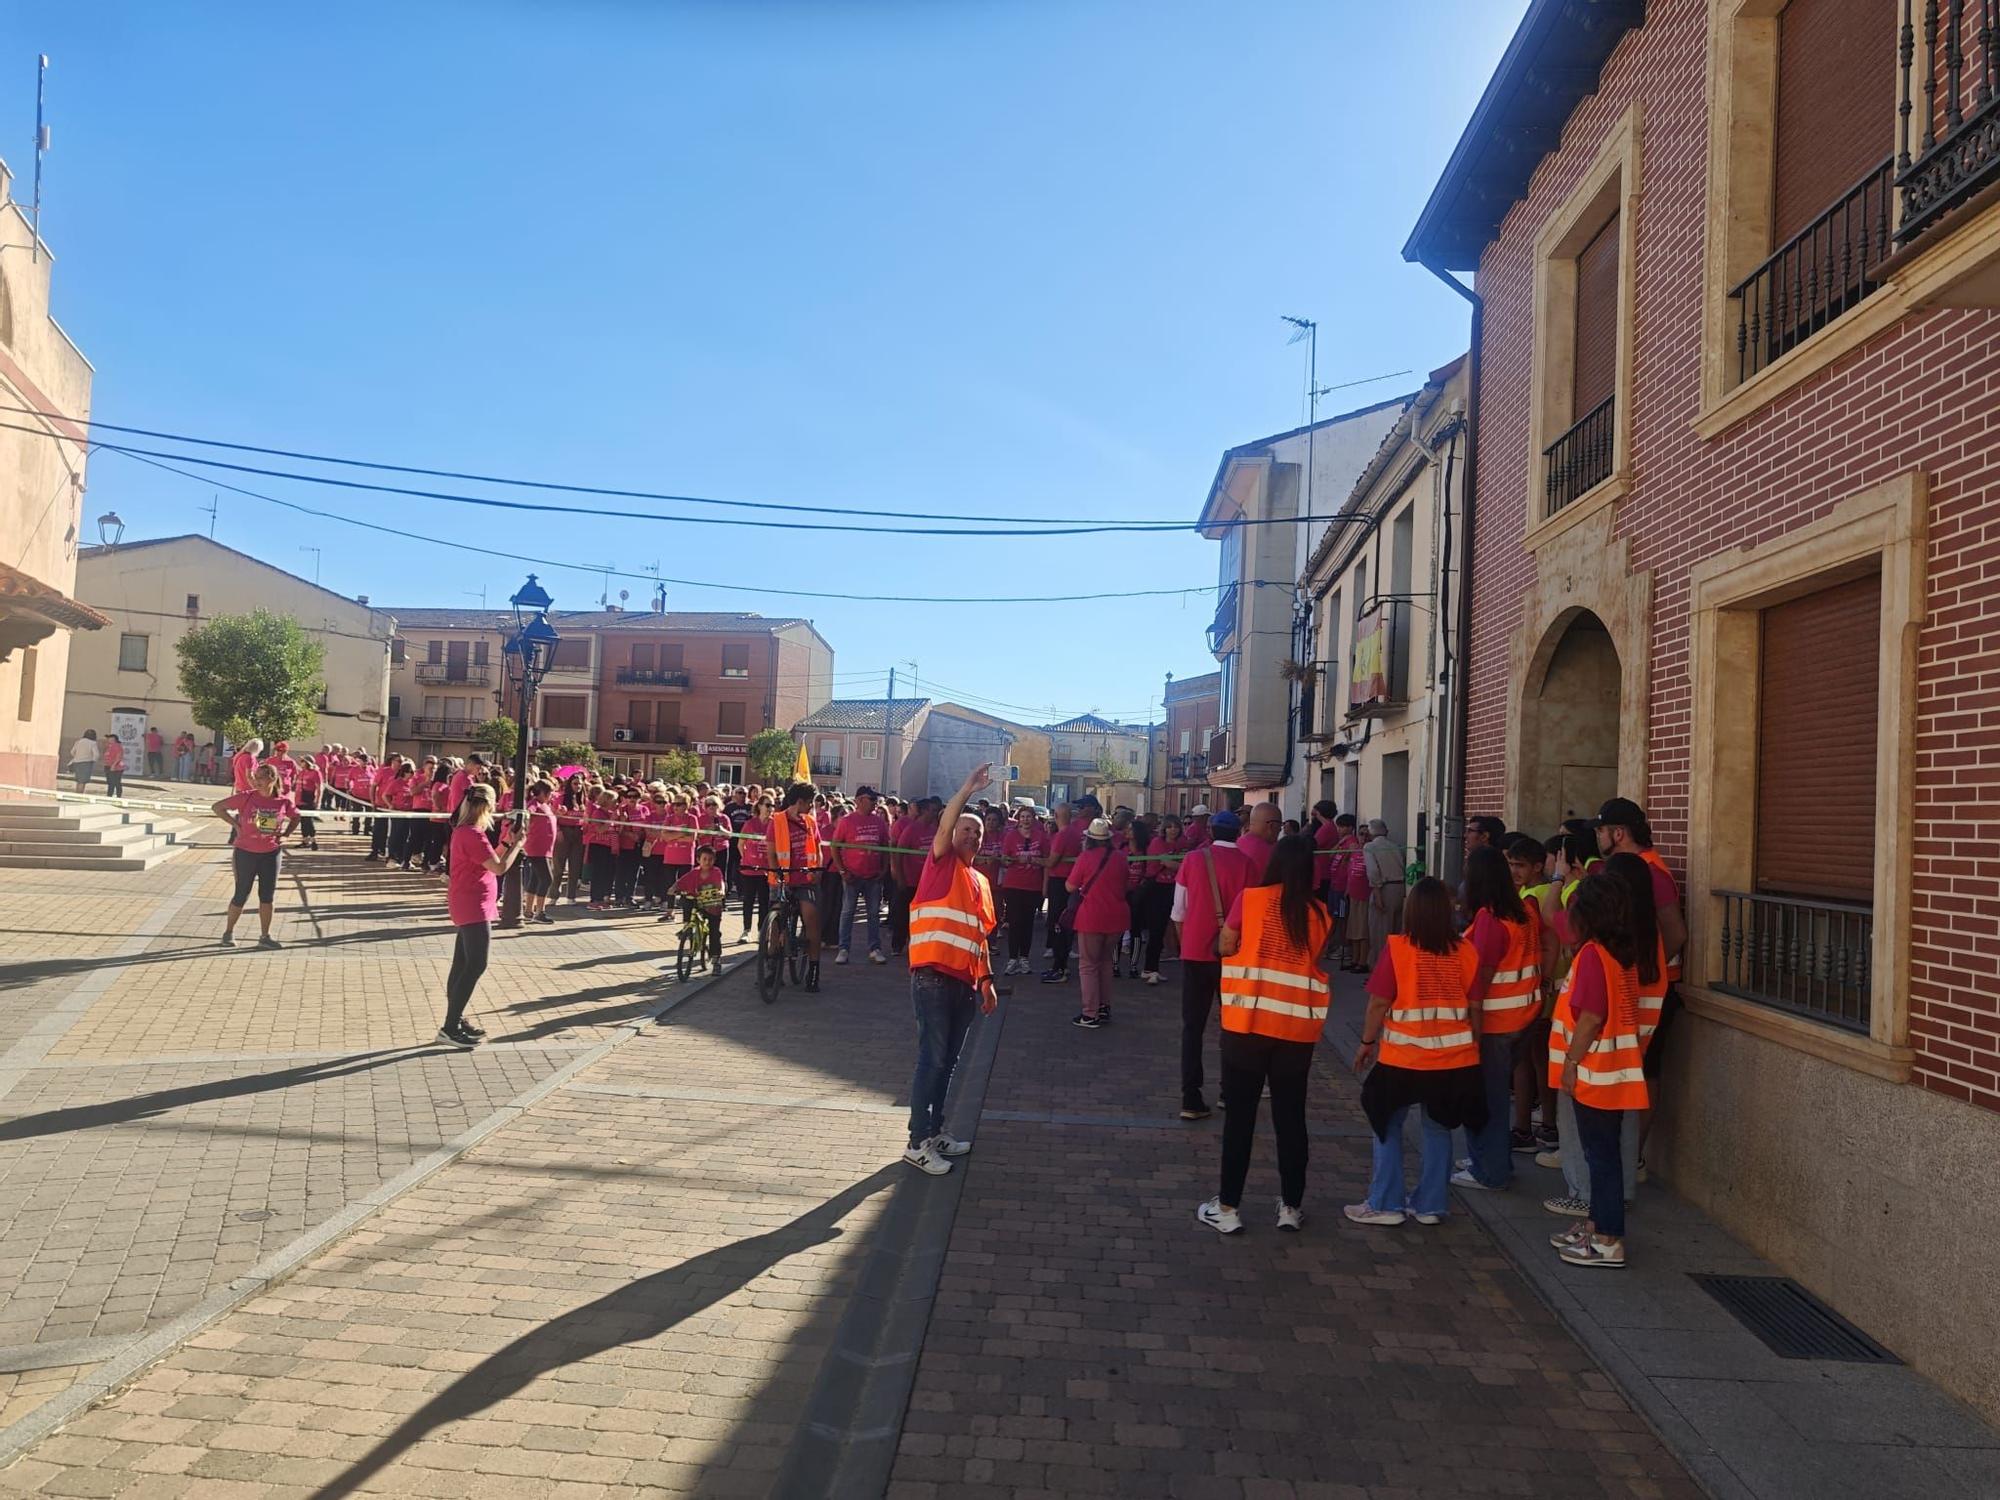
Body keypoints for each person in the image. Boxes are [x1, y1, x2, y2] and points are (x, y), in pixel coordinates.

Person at [1196, 833, 1334, 1234]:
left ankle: (1228, 1208)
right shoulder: (1322, 913)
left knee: (1240, 1119)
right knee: (1291, 1119)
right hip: (1296, 1028)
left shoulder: (1250, 900)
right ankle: (1290, 1206)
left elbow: (1226, 945)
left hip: (1247, 1026)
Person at [1346, 876, 1486, 1227]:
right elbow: (1476, 1008)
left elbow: (1379, 1003)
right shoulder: (1467, 951)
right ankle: (1430, 1204)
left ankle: (1385, 1202)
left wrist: (1366, 1042)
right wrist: (1474, 1048)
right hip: (1454, 1061)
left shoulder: (1399, 949)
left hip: (1403, 1059)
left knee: (1386, 1124)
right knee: (1439, 1130)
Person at [901, 763, 1000, 1176]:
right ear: (952, 833)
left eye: (978, 832)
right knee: (933, 1058)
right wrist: (967, 788)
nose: (972, 835)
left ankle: (935, 1130)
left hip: (962, 981)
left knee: (948, 1062)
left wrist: (987, 981)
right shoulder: (940, 862)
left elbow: (980, 936)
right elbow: (945, 822)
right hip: (932, 976)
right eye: (965, 829)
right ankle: (917, 1141)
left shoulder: (980, 880)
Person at [1546, 872, 1647, 1268]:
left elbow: (1590, 1017)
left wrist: (1571, 1063)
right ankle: (1595, 1225)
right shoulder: (1619, 954)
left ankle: (1607, 1238)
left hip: (1595, 1071)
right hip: (1614, 1071)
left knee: (1601, 1159)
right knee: (1603, 1155)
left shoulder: (1593, 954)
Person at [1450, 846, 1541, 1193]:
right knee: (1497, 1096)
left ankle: (1489, 1170)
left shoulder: (1489, 919)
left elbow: (1481, 978)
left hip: (1494, 1023)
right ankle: (1491, 1157)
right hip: (1523, 1017)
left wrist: (1465, 1023)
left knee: (1487, 1098)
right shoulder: (1525, 911)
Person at [1171, 809, 1255, 1120]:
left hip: (1195, 952)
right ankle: (1228, 1091)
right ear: (1239, 832)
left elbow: (1178, 910)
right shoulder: (1248, 865)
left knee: (1192, 1027)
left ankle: (1190, 1097)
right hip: (1234, 954)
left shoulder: (1193, 860)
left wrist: (1186, 940)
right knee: (1232, 1026)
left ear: (1211, 831)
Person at [437, 783, 523, 1049]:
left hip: (472, 901)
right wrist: (518, 846)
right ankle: (450, 1026)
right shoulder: (471, 834)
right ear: (486, 806)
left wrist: (507, 842)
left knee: (462, 964)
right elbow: (499, 868)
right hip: (472, 903)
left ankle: (455, 1018)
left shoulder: (468, 832)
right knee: (476, 964)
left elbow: (489, 860)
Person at [213, 764, 298, 949]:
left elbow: (297, 817)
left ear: (272, 779)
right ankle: (228, 933)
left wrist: (286, 835)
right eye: (255, 777)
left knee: (267, 896)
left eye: (261, 777)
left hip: (271, 853)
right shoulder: (247, 797)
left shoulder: (283, 801)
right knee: (241, 893)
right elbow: (217, 807)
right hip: (245, 852)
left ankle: (265, 936)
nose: (256, 781)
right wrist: (235, 825)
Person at [1065, 817, 1130, 1029]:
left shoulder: (1085, 857)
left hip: (1092, 916)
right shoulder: (1121, 857)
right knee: (1105, 962)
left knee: (1088, 965)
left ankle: (1089, 1012)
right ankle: (1103, 1006)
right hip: (1117, 915)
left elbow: (1070, 886)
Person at [767, 782, 826, 993]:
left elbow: (818, 849)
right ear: (799, 802)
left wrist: (817, 871)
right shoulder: (777, 821)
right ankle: (772, 967)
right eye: (809, 803)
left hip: (805, 878)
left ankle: (813, 969)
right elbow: (772, 853)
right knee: (775, 920)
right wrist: (777, 873)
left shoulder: (810, 822)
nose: (811, 808)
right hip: (782, 878)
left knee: (811, 917)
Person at [832, 786, 892, 964]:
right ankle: (843, 948)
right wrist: (842, 870)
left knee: (873, 914)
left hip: (873, 876)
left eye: (875, 800)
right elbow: (835, 846)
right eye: (871, 799)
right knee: (847, 912)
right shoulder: (847, 821)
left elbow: (885, 847)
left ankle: (875, 948)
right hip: (852, 875)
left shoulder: (879, 822)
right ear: (859, 801)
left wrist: (884, 869)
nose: (874, 803)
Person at [1042, 795, 1098, 983]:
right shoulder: (1076, 834)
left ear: (1057, 816)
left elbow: (1052, 861)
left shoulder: (1063, 835)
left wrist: (1034, 860)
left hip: (1060, 882)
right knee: (1065, 923)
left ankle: (1060, 968)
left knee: (1057, 923)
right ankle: (1061, 964)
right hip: (1072, 881)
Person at [997, 803, 1049, 976]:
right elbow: (1004, 859)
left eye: (1029, 817)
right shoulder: (1011, 836)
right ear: (1018, 819)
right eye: (1023, 817)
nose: (1026, 820)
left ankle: (1024, 958)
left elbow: (1048, 861)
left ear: (1034, 819)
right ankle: (1012, 959)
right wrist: (1011, 860)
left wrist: (1036, 863)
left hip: (1032, 885)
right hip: (1013, 885)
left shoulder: (1041, 837)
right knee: (1015, 922)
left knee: (1028, 923)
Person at [1136, 813, 1183, 984]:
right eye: (1169, 826)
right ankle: (1149, 968)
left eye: (1176, 826)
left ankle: (1153, 968)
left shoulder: (1180, 844)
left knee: (1162, 928)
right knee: (1155, 929)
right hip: (1156, 888)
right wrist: (1189, 866)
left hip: (1172, 887)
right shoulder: (1157, 843)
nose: (1173, 830)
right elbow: (1168, 863)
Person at [671, 847, 728, 967]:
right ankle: (687, 926)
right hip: (698, 903)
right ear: (698, 860)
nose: (707, 862)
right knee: (687, 901)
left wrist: (721, 891)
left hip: (713, 905)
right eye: (704, 859)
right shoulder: (694, 872)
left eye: (710, 859)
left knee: (714, 932)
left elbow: (721, 882)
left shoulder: (716, 872)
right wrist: (674, 888)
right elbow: (682, 881)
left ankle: (716, 958)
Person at [1329, 814, 1371, 972]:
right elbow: (1335, 858)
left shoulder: (1364, 849)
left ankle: (1358, 958)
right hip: (1347, 890)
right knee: (1352, 925)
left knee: (1358, 927)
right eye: (1361, 834)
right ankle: (1354, 959)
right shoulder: (1352, 847)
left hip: (1362, 893)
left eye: (1367, 834)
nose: (1364, 837)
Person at [1363, 819, 1405, 963]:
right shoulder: (1396, 846)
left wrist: (1377, 895)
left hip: (1384, 888)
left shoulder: (1369, 847)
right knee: (1396, 931)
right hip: (1400, 888)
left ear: (1370, 832)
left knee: (1379, 934)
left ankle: (1378, 971)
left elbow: (1373, 871)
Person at [520, 778, 558, 923]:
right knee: (547, 879)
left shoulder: (545, 805)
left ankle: (529, 911)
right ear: (543, 792)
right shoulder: (534, 804)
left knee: (535, 879)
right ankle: (539, 912)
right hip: (537, 848)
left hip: (546, 849)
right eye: (550, 792)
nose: (552, 795)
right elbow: (528, 813)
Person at [738, 794, 773, 940]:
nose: (770, 808)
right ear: (759, 806)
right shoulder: (750, 824)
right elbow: (740, 844)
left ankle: (762, 931)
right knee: (748, 901)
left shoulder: (773, 824)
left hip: (766, 869)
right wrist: (746, 857)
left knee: (764, 902)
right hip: (749, 868)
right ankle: (746, 930)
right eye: (767, 805)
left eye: (772, 805)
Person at [1235, 800, 1281, 881]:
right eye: (1280, 824)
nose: (1280, 829)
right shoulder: (1272, 852)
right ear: (1271, 826)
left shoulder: (1237, 843)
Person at [101, 733, 125, 797]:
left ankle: (116, 795)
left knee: (116, 782)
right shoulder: (109, 746)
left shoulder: (117, 745)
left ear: (114, 739)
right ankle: (110, 795)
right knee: (110, 782)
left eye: (110, 738)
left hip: (116, 767)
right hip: (108, 765)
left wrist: (114, 765)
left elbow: (118, 756)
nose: (108, 739)